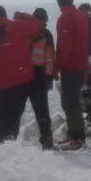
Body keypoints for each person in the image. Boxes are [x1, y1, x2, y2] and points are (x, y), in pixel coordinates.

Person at [0, 5, 43, 142]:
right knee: (13, 116)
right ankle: (10, 141)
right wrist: (23, 15)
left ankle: (3, 140)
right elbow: (37, 25)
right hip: (18, 85)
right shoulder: (17, 26)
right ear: (5, 15)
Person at [54, 0, 90, 151]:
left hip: (71, 67)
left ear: (59, 0)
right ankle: (76, 135)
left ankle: (77, 138)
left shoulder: (66, 17)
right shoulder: (81, 16)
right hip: (80, 65)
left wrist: (57, 67)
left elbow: (65, 47)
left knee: (70, 103)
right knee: (72, 101)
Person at [27, 8, 56, 149]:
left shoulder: (24, 31)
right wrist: (49, 78)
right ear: (44, 19)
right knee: (42, 110)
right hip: (39, 76)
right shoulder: (46, 34)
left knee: (17, 108)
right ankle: (46, 138)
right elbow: (50, 59)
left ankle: (8, 138)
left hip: (23, 74)